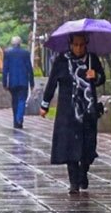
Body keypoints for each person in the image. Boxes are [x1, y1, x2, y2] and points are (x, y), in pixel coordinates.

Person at [38, 32, 106, 194]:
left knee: (88, 145)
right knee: (70, 147)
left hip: (88, 111)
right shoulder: (62, 60)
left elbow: (101, 78)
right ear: (70, 44)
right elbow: (52, 82)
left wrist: (95, 76)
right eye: (75, 45)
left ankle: (84, 171)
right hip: (68, 112)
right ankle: (74, 182)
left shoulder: (91, 59)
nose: (79, 48)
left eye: (82, 45)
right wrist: (45, 104)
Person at [1, 36, 34, 128]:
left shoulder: (7, 53)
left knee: (15, 101)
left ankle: (17, 121)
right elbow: (29, 69)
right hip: (23, 81)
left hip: (13, 82)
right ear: (20, 43)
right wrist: (31, 82)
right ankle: (19, 119)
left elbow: (5, 69)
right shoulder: (25, 53)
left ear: (12, 44)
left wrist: (4, 83)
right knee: (22, 100)